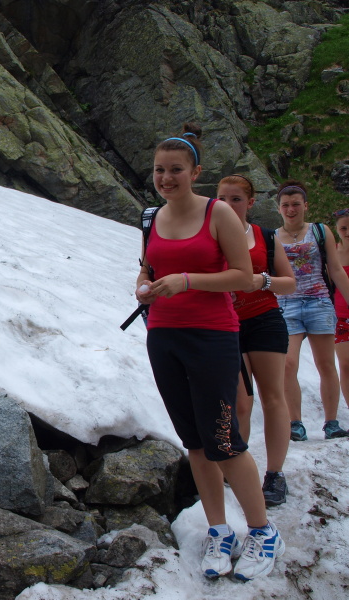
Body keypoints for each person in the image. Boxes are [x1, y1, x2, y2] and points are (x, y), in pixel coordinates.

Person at [136, 124, 284, 581]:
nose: (166, 178)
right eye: (159, 170)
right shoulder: (151, 218)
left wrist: (187, 281)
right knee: (195, 442)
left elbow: (243, 276)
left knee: (223, 440)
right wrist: (143, 287)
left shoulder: (217, 213)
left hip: (212, 336)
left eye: (175, 170)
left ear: (195, 172)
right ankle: (218, 530)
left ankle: (262, 530)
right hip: (164, 336)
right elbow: (146, 270)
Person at [217, 175, 296, 507]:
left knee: (273, 397)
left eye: (236, 199)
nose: (228, 205)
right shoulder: (211, 236)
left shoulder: (265, 236)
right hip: (227, 325)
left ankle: (275, 474)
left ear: (250, 203)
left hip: (265, 321)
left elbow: (289, 283)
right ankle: (239, 468)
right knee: (240, 402)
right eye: (222, 199)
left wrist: (261, 281)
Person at [275, 181, 349, 441]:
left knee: (326, 363)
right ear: (279, 208)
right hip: (286, 304)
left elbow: (335, 269)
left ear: (305, 206)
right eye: (286, 205)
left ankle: (331, 423)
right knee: (288, 363)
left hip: (319, 302)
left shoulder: (320, 231)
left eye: (296, 204)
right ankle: (295, 423)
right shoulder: (272, 236)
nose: (291, 209)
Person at [331, 209, 349, 430]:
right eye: (343, 228)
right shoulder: (333, 252)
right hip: (340, 316)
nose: (347, 232)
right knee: (345, 365)